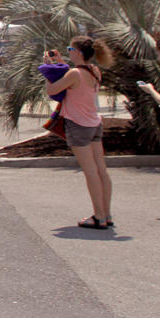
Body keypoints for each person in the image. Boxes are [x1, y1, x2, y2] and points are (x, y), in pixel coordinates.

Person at [46, 38, 114, 229]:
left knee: (90, 172)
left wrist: (48, 69)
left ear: (79, 52)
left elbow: (52, 89)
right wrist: (60, 64)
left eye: (70, 49)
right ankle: (106, 214)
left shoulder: (74, 73)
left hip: (78, 125)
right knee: (101, 170)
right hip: (94, 123)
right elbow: (75, 81)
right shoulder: (94, 70)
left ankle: (98, 216)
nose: (69, 51)